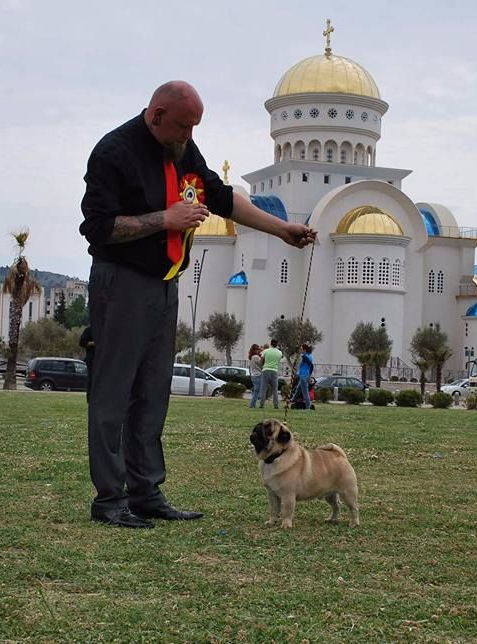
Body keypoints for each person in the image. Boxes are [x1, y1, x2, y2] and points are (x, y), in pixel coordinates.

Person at [79, 81, 316, 529]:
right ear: (156, 116)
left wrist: (282, 229)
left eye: (194, 128)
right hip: (122, 285)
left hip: (166, 286)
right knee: (112, 395)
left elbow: (222, 199)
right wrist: (164, 220)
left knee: (152, 396)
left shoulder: (184, 151)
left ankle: (145, 492)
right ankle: (109, 499)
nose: (188, 137)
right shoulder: (113, 153)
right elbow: (97, 227)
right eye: (183, 127)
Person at [258, 339, 284, 409]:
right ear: (277, 344)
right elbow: (279, 360)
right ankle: (276, 405)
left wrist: (262, 367)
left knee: (263, 388)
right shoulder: (279, 353)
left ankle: (262, 404)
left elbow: (260, 362)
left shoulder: (266, 351)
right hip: (274, 371)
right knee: (275, 389)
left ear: (271, 344)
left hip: (266, 370)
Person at [293, 343, 314, 410]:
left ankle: (308, 406)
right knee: (298, 389)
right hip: (302, 375)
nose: (301, 350)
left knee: (305, 392)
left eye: (301, 349)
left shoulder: (308, 356)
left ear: (304, 349)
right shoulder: (305, 356)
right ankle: (292, 400)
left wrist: (304, 356)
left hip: (304, 376)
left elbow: (310, 363)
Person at [79, 326, 95, 401]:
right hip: (92, 359)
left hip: (102, 358)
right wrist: (92, 343)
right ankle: (90, 398)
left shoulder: (104, 330)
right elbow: (81, 342)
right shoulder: (89, 330)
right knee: (91, 378)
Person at [248, 344, 263, 408]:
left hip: (253, 375)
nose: (258, 351)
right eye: (257, 349)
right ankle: (252, 404)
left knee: (256, 390)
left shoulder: (252, 357)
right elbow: (261, 364)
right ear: (255, 350)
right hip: (257, 375)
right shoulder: (256, 357)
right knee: (257, 391)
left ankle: (253, 404)